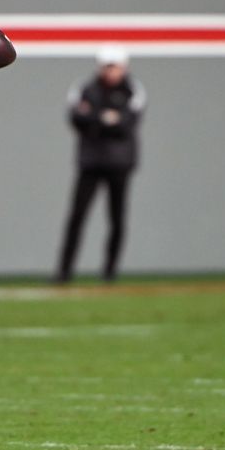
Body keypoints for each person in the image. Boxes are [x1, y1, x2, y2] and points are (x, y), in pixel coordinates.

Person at [55, 45, 147, 283]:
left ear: (123, 67)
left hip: (119, 163)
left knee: (116, 218)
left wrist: (96, 117)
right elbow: (76, 118)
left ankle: (109, 272)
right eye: (107, 66)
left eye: (114, 66)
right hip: (91, 161)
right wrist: (107, 117)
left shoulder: (132, 90)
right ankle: (64, 273)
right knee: (77, 217)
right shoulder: (85, 88)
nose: (110, 71)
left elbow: (126, 123)